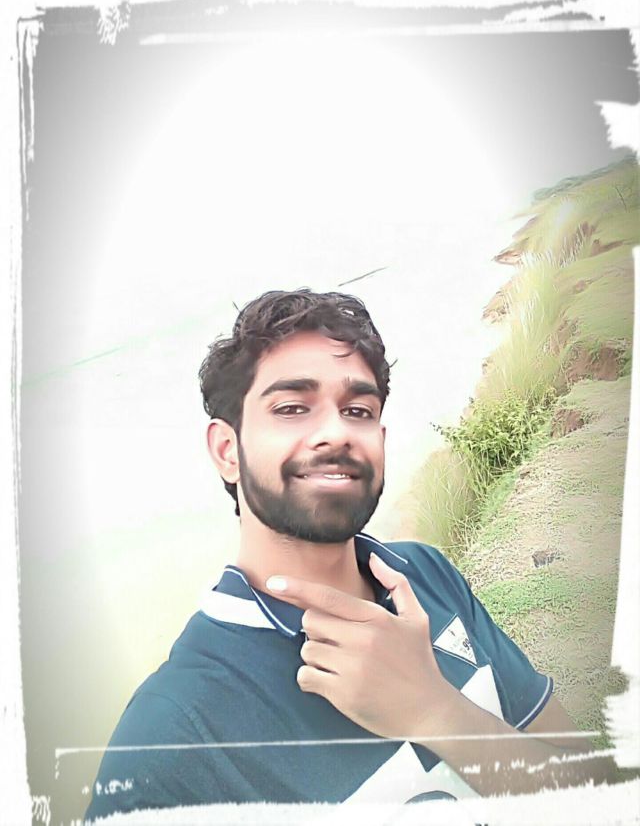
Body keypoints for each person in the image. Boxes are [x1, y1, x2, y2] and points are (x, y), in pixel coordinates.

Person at [85, 289, 609, 820]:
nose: (336, 433)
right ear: (227, 450)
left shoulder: (425, 574)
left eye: (357, 410)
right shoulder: (172, 735)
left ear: (380, 438)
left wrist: (436, 711)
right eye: (291, 408)